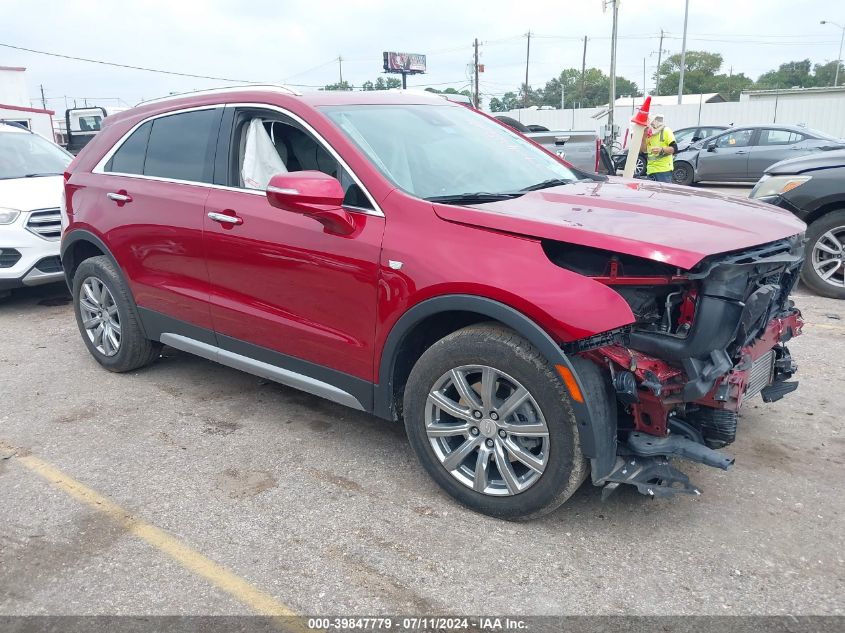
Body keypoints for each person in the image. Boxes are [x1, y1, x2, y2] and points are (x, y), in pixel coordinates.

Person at [640, 113, 678, 183]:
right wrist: (643, 136)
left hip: (664, 171)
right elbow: (644, 150)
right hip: (651, 170)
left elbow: (674, 149)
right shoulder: (648, 133)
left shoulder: (666, 130)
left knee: (663, 193)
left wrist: (662, 150)